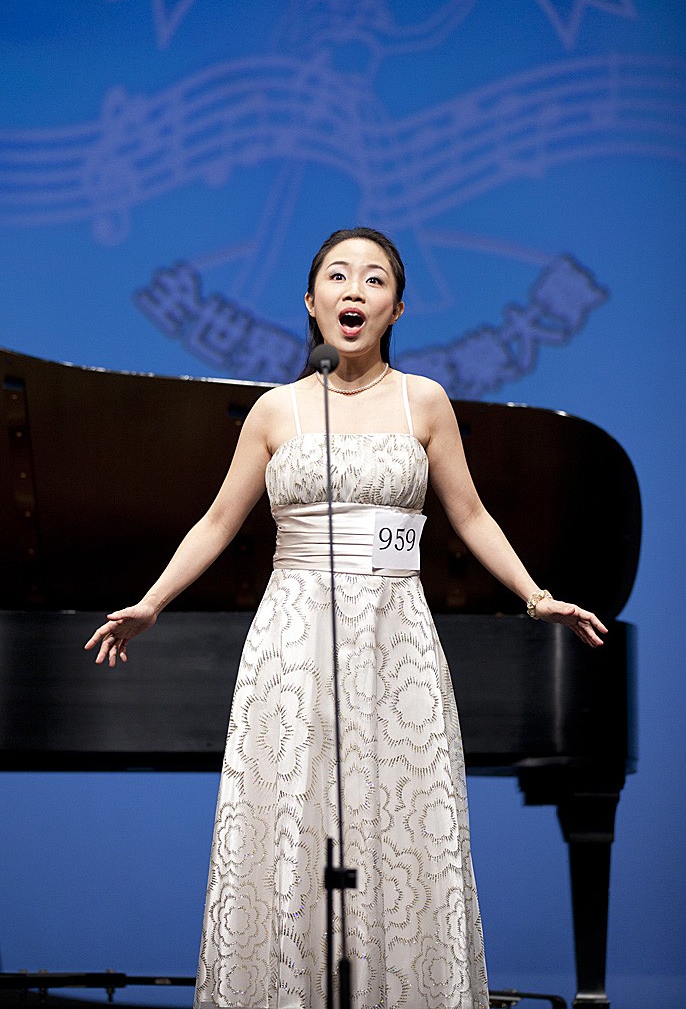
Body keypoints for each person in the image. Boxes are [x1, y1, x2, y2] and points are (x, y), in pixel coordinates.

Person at [85, 227, 606, 1009]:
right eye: (337, 276)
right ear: (311, 301)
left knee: (398, 838)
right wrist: (153, 601)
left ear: (397, 305)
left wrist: (536, 594)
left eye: (373, 279)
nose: (353, 290)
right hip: (294, 646)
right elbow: (218, 521)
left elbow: (471, 515)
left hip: (395, 645)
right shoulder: (275, 410)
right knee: (293, 828)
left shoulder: (423, 401)